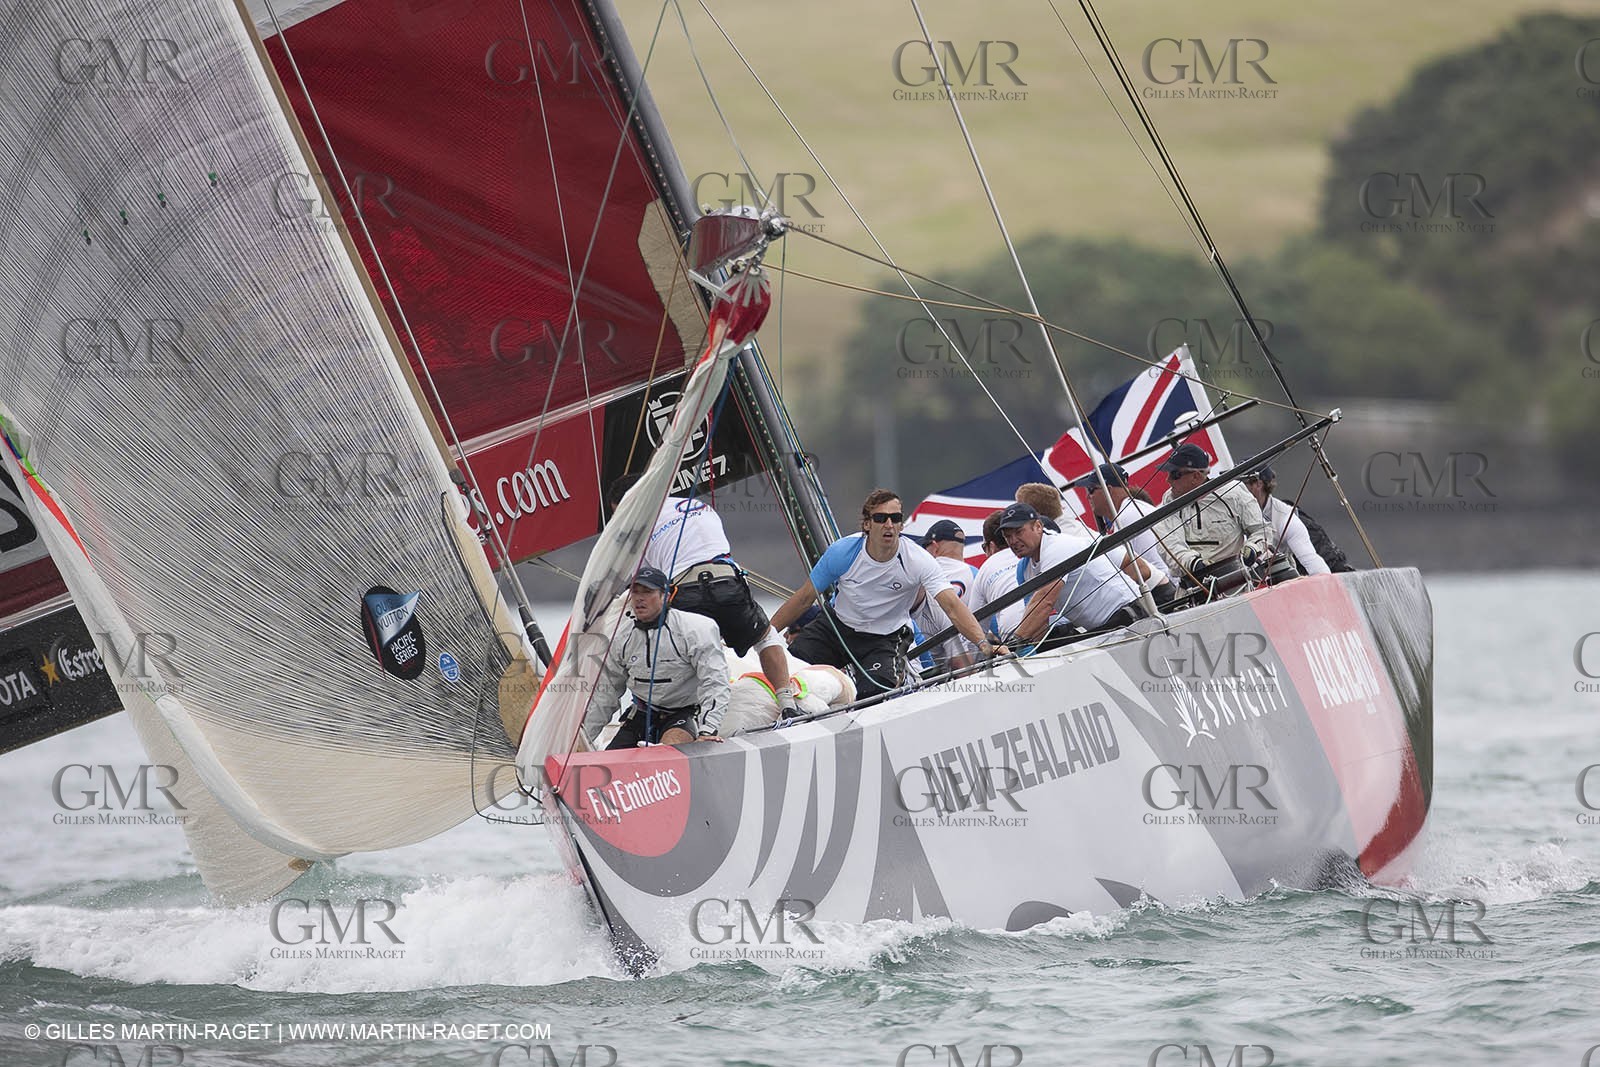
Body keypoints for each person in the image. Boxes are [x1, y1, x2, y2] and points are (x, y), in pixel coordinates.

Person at [770, 490, 1007, 697]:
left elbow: (952, 606)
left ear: (902, 525)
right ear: (867, 524)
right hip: (837, 628)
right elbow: (804, 598)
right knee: (788, 673)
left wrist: (983, 644)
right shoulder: (843, 552)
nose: (889, 525)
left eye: (895, 518)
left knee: (873, 694)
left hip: (884, 638)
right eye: (881, 518)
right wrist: (766, 638)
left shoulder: (917, 560)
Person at [610, 475, 799, 717]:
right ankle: (788, 704)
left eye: (620, 512)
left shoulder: (637, 530)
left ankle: (654, 712)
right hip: (726, 582)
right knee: (765, 636)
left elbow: (643, 582)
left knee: (663, 644)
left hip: (684, 592)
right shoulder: (697, 505)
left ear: (631, 502)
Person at [585, 567, 729, 748]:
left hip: (684, 713)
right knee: (611, 760)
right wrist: (580, 740)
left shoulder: (696, 629)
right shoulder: (619, 635)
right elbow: (606, 694)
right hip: (642, 712)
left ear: (666, 596)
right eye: (635, 592)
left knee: (667, 750)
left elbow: (715, 682)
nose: (639, 598)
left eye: (647, 591)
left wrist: (708, 731)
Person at [997, 502, 1147, 648]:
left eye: (1019, 532)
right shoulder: (1027, 569)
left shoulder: (1056, 547)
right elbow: (1039, 625)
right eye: (1007, 536)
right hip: (1108, 627)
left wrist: (1014, 643)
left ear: (1038, 526)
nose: (1013, 541)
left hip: (1129, 616)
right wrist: (1020, 650)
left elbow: (1045, 600)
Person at [1152, 442, 1267, 582]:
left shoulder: (1234, 492)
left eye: (1175, 474)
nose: (1168, 480)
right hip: (1193, 586)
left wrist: (1252, 548)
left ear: (1196, 476)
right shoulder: (1170, 499)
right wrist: (1193, 563)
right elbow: (1169, 543)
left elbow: (1262, 530)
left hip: (1237, 582)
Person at [1069, 463, 1178, 607]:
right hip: (1167, 587)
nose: (1088, 496)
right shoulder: (1130, 511)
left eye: (1091, 489)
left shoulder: (1126, 518)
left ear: (1108, 490)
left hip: (1168, 594)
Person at [911, 519, 979, 671]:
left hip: (932, 664)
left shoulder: (926, 575)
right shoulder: (975, 573)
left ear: (934, 547)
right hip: (973, 658)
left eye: (925, 547)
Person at [1241, 466, 1330, 576]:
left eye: (1242, 485)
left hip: (1279, 579)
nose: (1237, 490)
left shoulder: (1286, 518)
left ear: (1259, 484)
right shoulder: (1232, 511)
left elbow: (1313, 563)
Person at [965, 509, 1026, 649]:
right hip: (1058, 620)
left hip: (1016, 635)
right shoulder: (1033, 552)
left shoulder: (984, 571)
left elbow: (975, 629)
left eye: (984, 547)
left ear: (991, 546)